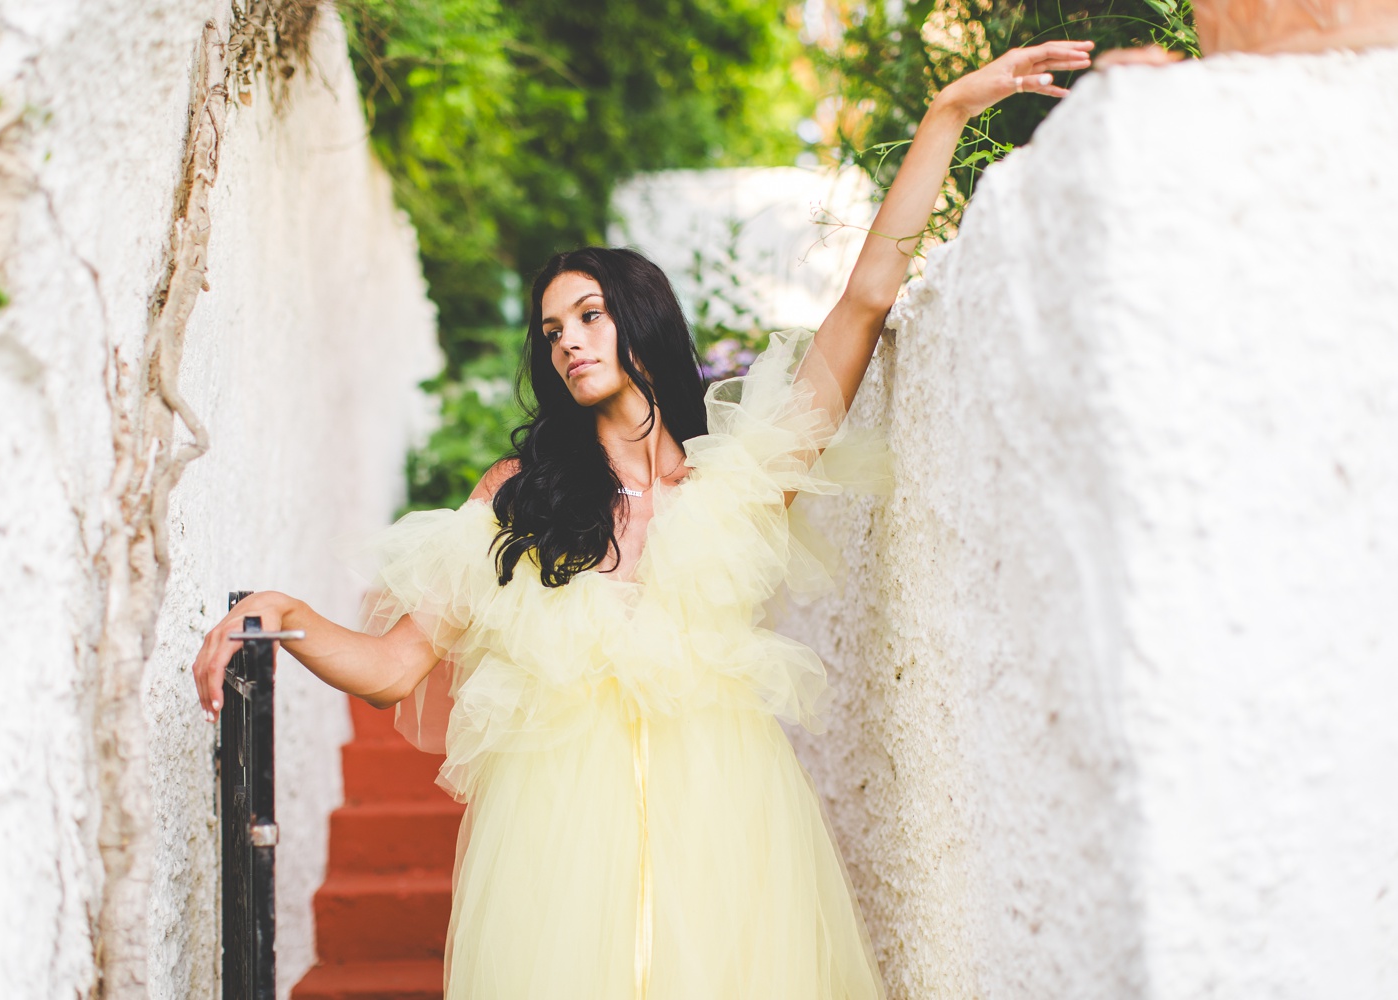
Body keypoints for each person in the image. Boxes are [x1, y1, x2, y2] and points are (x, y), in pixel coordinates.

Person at [192, 41, 1098, 999]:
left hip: (727, 829)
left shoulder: (740, 477)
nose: (570, 341)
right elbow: (392, 670)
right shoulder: (517, 498)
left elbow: (866, 301)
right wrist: (279, 612)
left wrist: (947, 115)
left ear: (639, 318)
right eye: (552, 331)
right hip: (557, 848)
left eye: (588, 315)